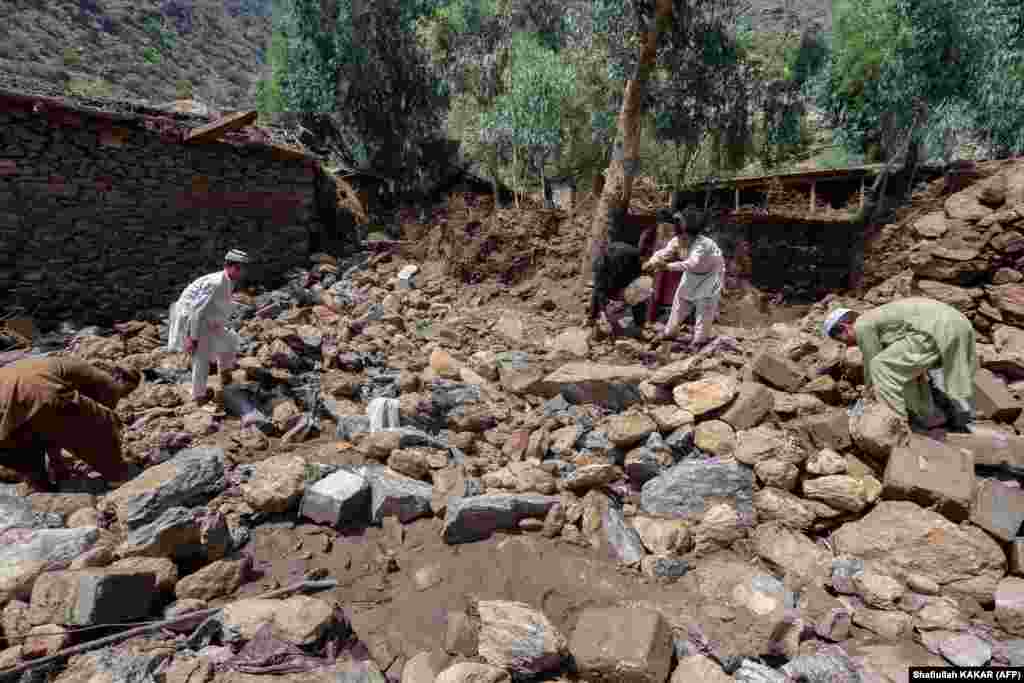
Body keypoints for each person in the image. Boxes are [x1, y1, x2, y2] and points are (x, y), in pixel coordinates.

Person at [822, 297, 978, 431]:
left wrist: (868, 394)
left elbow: (872, 362)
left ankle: (897, 426)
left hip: (939, 327)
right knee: (899, 370)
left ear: (845, 328)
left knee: (881, 365)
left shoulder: (862, 324)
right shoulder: (881, 321)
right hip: (958, 324)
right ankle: (930, 416)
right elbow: (901, 371)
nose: (849, 346)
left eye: (842, 340)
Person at [0, 357, 141, 491]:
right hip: (38, 389)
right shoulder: (110, 383)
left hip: (6, 393)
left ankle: (40, 487)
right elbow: (92, 422)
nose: (124, 396)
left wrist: (57, 462)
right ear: (119, 378)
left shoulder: (70, 368)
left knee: (25, 442)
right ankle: (118, 478)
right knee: (105, 420)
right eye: (128, 391)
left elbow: (50, 420)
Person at [168, 249, 249, 405]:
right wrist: (192, 338)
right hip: (191, 319)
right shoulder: (216, 282)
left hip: (208, 318)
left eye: (244, 268)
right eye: (241, 268)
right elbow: (196, 311)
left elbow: (215, 305)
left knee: (231, 340)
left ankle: (225, 374)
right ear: (231, 266)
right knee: (202, 356)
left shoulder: (228, 280)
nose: (243, 272)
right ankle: (198, 395)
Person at [643, 211, 725, 350]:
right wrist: (651, 262)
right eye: (681, 236)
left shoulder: (702, 245)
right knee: (680, 303)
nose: (682, 240)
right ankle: (669, 333)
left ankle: (698, 342)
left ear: (693, 236)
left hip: (711, 276)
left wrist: (667, 266)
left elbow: (692, 263)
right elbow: (664, 252)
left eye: (685, 237)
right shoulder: (678, 240)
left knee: (704, 310)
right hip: (692, 275)